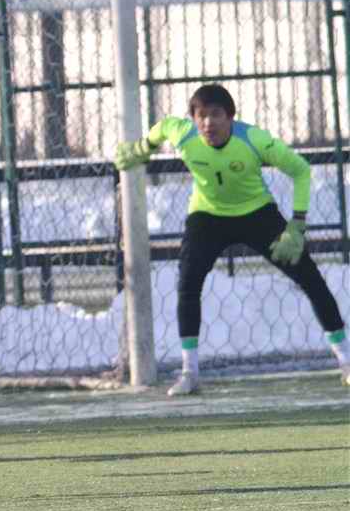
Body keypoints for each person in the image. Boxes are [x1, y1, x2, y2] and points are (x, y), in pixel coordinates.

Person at [114, 83, 349, 394]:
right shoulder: (182, 133)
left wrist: (296, 226)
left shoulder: (253, 139)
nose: (208, 122)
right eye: (201, 116)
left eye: (216, 114)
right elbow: (163, 127)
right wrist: (141, 149)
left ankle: (346, 362)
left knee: (310, 279)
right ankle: (190, 373)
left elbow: (301, 170)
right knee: (188, 284)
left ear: (230, 117)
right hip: (207, 216)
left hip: (256, 213)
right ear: (193, 119)